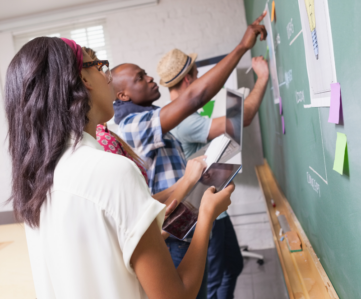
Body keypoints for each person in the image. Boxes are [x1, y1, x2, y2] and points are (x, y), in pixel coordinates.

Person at [5, 37, 235, 299]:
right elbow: (175, 295)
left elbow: (107, 246)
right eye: (100, 66)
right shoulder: (113, 171)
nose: (108, 78)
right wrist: (206, 214)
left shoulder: (37, 184)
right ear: (84, 78)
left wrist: (171, 198)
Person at [111, 12, 267, 298]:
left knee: (217, 276)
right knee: (209, 284)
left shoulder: (151, 117)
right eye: (140, 77)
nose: (148, 79)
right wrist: (245, 51)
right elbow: (211, 105)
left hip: (186, 221)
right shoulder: (136, 125)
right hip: (178, 228)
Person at [157, 47, 269, 298]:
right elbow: (244, 118)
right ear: (188, 79)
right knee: (216, 280)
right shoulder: (184, 119)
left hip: (212, 207)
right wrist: (262, 78)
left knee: (232, 266)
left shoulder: (179, 113)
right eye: (197, 76)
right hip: (203, 210)